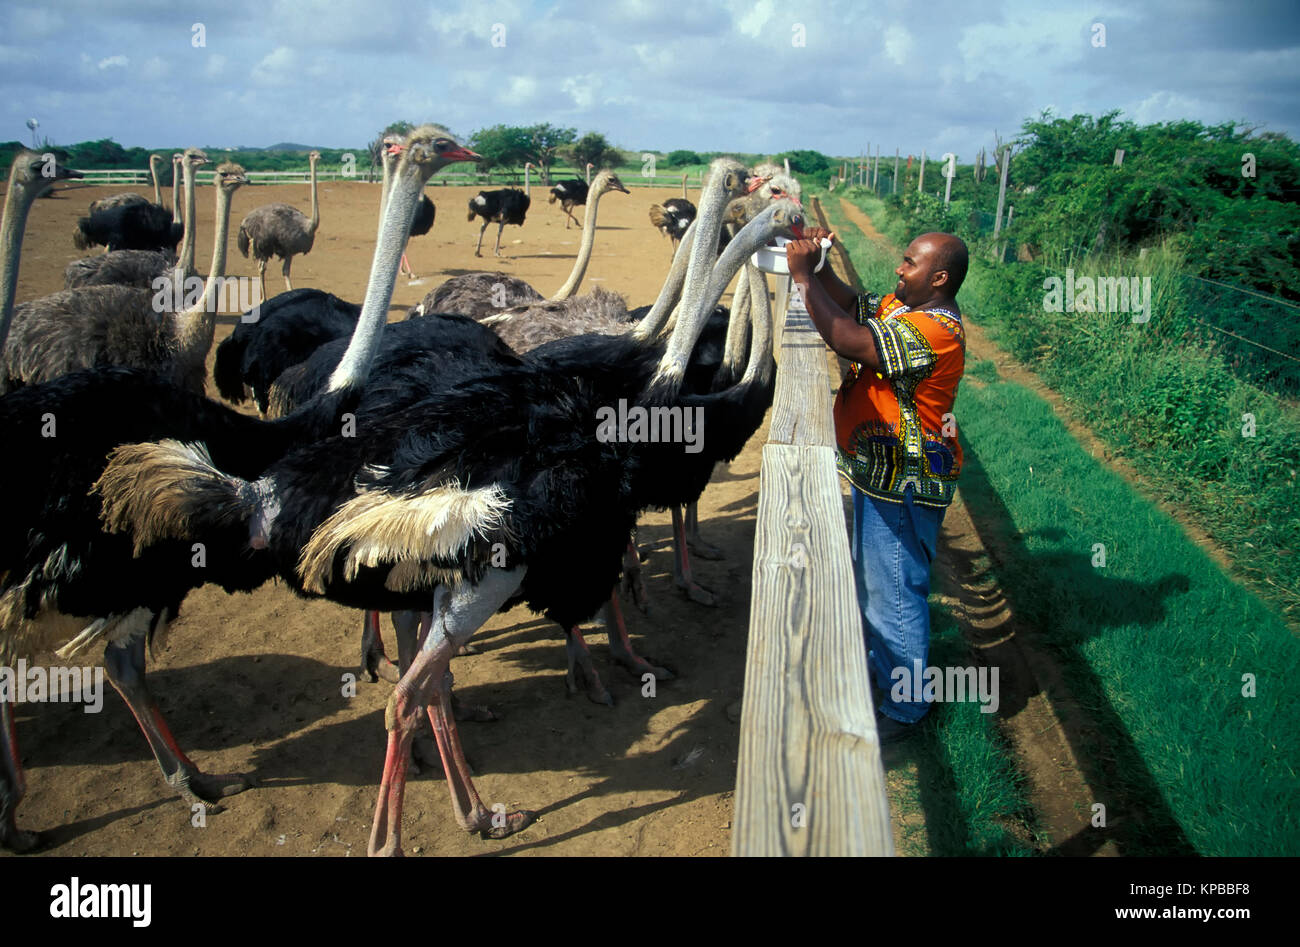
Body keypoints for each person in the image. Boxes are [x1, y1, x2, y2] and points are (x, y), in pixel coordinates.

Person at [786, 229, 969, 742]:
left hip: (904, 485)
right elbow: (850, 302)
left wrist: (801, 277)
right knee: (877, 581)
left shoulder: (935, 330)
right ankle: (884, 673)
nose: (898, 270)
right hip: (879, 473)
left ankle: (907, 707)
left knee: (893, 590)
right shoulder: (903, 306)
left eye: (908, 264)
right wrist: (819, 265)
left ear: (938, 278)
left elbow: (846, 337)